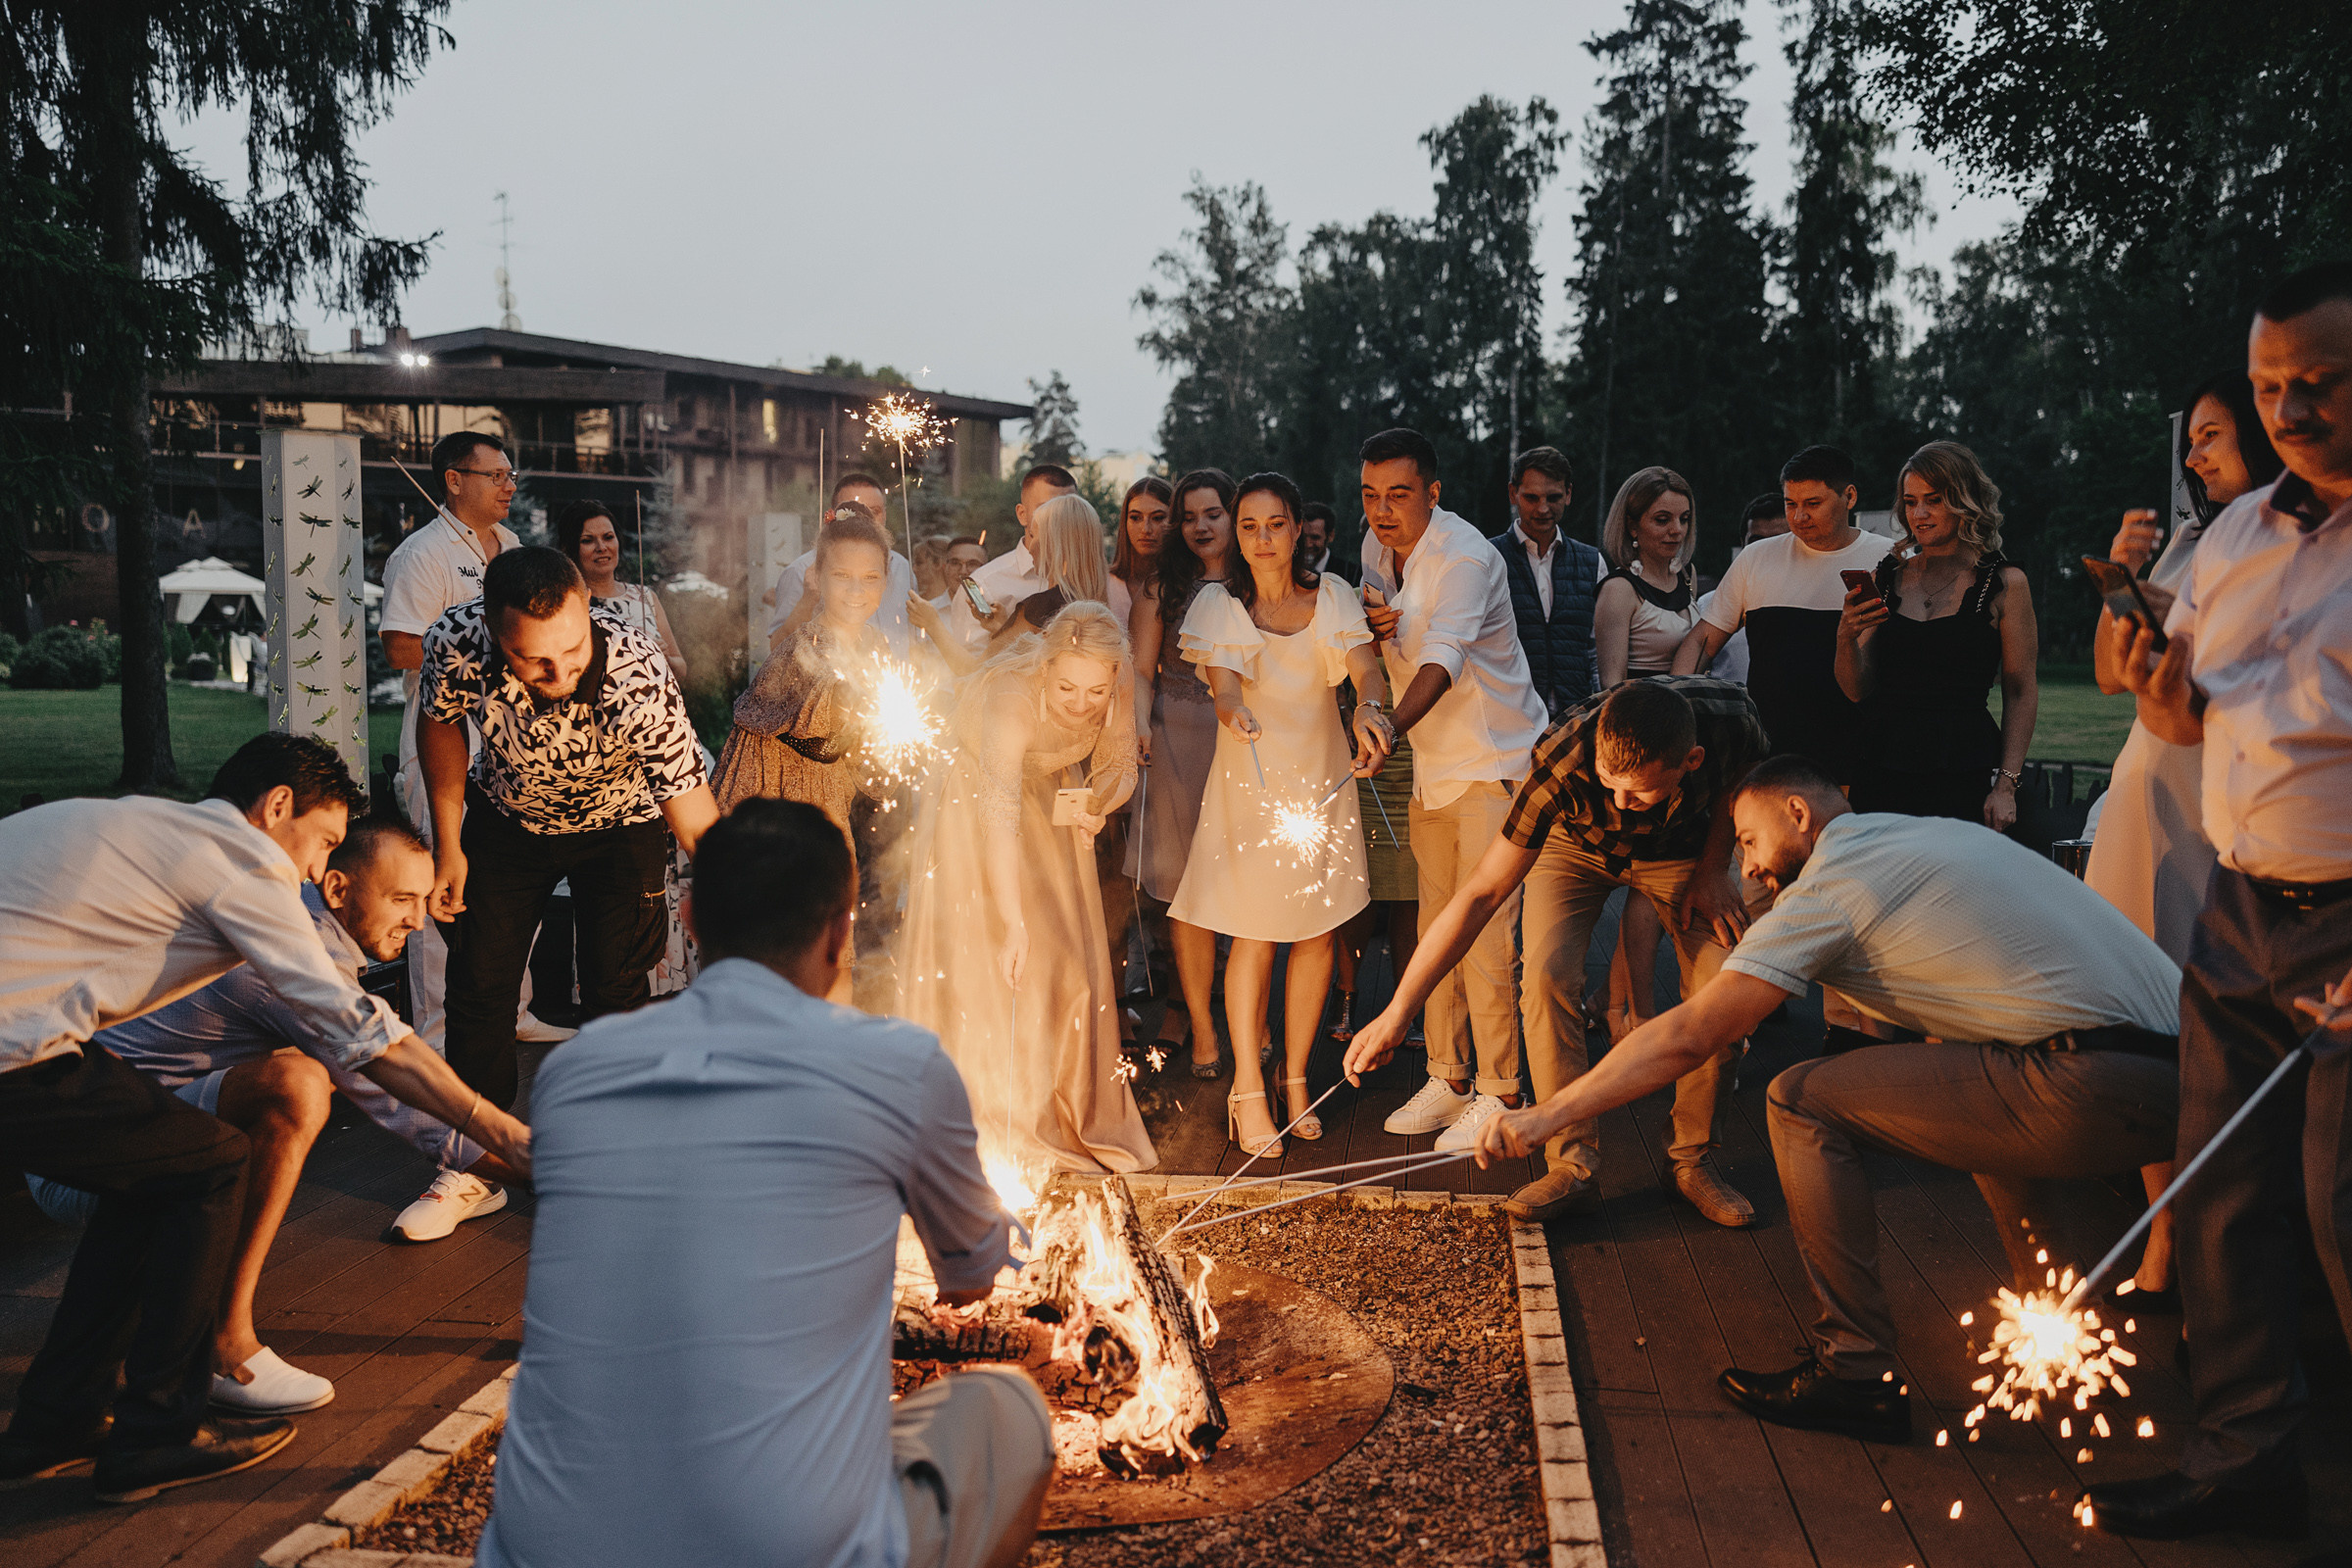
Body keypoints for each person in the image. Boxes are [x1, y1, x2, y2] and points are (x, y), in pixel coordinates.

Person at [1425, 755, 2181, 1443]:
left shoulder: (1833, 886)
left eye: (1748, 842)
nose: (1748, 869)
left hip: (2089, 1084)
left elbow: (1692, 1034)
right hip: (2186, 1077)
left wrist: (1543, 1117)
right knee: (1968, 1076)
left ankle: (1855, 1373)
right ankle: (2053, 1329)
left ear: (1798, 814)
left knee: (1798, 1099)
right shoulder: (1919, 837)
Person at [474, 800, 1050, 1568]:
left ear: (689, 918)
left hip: (542, 1549)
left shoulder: (576, 1071)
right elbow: (973, 1277)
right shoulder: (900, 1066)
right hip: (779, 1549)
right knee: (1005, 1410)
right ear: (841, 932)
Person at [0, 734, 530, 1501]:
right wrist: (504, 1130)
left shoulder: (159, 831)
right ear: (276, 806)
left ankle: (59, 1422)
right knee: (208, 1165)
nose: (318, 871)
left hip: (39, 1044)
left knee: (171, 1168)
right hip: (21, 1051)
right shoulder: (236, 861)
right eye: (320, 843)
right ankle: (159, 1429)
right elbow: (367, 1040)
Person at [2085, 262, 2352, 1546]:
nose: (2290, 409)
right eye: (2269, 386)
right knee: (2221, 1188)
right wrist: (2146, 676)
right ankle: (2245, 1450)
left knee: (2338, 1203)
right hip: (2242, 907)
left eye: (2320, 382)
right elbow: (2181, 709)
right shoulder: (2239, 535)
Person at [1343, 679, 1766, 1223]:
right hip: (1575, 847)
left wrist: (1711, 868)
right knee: (1544, 978)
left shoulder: (1733, 718)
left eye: (1637, 793)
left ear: (1691, 760)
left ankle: (1691, 1160)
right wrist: (1397, 1014)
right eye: (1610, 785)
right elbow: (1480, 894)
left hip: (1682, 852)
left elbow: (1742, 784)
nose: (1621, 805)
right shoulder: (1560, 759)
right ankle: (1569, 1166)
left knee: (1722, 994)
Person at [418, 547, 718, 1108]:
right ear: (491, 628)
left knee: (616, 991)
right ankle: (474, 1157)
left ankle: (609, 1138)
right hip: (507, 819)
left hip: (621, 827)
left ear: (585, 606)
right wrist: (449, 845)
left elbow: (693, 815)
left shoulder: (638, 672)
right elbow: (439, 726)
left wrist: (746, 914)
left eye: (574, 648)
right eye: (532, 659)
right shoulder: (454, 640)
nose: (559, 673)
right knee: (477, 983)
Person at [1167, 471, 1394, 1154]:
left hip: (1322, 784)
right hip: (1251, 794)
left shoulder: (1333, 596)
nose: (1262, 539)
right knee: (1255, 937)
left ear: (1299, 528)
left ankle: (1295, 1079)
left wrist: (1375, 709)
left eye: (1275, 524)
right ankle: (1245, 1086)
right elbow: (1225, 684)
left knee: (1318, 935)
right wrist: (1231, 707)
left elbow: (1364, 668)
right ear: (1237, 535)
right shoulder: (1219, 604)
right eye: (1249, 526)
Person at [900, 604, 1153, 1174]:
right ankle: (986, 1109)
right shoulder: (1012, 701)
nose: (1081, 704)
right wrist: (1012, 922)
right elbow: (999, 818)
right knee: (995, 957)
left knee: (1065, 957)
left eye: (1095, 691)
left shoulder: (1116, 682)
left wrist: (1097, 806)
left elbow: (1118, 763)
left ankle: (1066, 1102)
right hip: (977, 807)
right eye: (1067, 686)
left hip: (1050, 795)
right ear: (1045, 669)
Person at [1358, 427, 1549, 1152]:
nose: (1382, 509)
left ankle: (1501, 1092)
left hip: (1495, 764)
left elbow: (1441, 660)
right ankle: (1449, 1076)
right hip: (1435, 770)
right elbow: (1391, 641)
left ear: (1433, 494)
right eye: (1371, 495)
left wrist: (1385, 727)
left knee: (1488, 941)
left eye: (1399, 495)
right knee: (1432, 927)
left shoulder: (1467, 556)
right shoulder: (1379, 552)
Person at [377, 432, 569, 1071]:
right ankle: (434, 1030)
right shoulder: (422, 554)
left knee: (518, 872)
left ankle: (512, 1009)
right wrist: (475, 644)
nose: (508, 485)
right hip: (444, 732)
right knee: (442, 882)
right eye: (496, 475)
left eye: (511, 474)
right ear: (455, 480)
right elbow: (400, 646)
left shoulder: (513, 549)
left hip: (514, 739)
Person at [2086, 371, 2283, 957]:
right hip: (2145, 772)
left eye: (2211, 436)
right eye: (2190, 443)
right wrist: (2124, 579)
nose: (2194, 459)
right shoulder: (2192, 537)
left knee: (2203, 965)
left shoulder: (2299, 540)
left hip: (2218, 787)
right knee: (2127, 966)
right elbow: (2106, 677)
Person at [1834, 442, 2038, 828]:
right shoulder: (1886, 578)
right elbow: (1856, 689)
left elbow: (2021, 690)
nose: (1919, 514)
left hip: (1960, 772)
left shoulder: (2006, 584)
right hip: (1881, 769)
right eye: (1910, 502)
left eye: (1934, 500)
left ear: (1965, 502)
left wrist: (2006, 786)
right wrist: (1845, 637)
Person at [1672, 445, 1893, 785]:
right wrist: (1676, 708)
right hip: (1768, 757)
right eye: (1791, 503)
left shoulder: (1887, 559)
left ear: (1849, 496)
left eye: (1813, 504)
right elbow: (1703, 640)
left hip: (1861, 758)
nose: (1799, 517)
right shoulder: (1756, 558)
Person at [1129, 469, 1239, 1075]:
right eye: (1190, 515)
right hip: (1176, 743)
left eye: (1213, 513)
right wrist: (1139, 723)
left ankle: (1252, 1019)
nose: (1200, 525)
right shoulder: (1162, 588)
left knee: (1248, 886)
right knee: (1186, 897)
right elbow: (1142, 670)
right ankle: (1199, 1027)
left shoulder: (1258, 584)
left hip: (1245, 745)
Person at [710, 508, 897, 864]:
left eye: (870, 577)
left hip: (833, 805)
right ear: (817, 578)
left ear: (886, 580)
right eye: (842, 575)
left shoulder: (875, 644)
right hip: (779, 816)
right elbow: (828, 700)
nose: (857, 590)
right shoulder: (800, 648)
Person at [1593, 467, 1704, 1045]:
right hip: (1637, 747)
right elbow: (1610, 688)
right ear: (1632, 525)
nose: (1675, 530)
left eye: (1682, 519)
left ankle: (1614, 1005)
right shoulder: (1619, 589)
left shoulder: (1687, 581)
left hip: (1681, 746)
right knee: (1647, 888)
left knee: (1660, 890)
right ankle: (1630, 1017)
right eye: (1661, 519)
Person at [1102, 477, 1176, 1025]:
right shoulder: (1106, 585)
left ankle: (1176, 993)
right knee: (1115, 870)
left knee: (1168, 871)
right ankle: (1115, 997)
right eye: (1136, 517)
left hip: (1173, 734)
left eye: (1158, 516)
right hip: (1109, 735)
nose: (1147, 528)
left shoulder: (1186, 584)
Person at [1495, 445, 1605, 719]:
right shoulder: (1488, 559)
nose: (1543, 509)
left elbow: (1596, 651)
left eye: (1553, 497)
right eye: (1531, 498)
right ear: (1513, 494)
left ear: (1569, 494)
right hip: (1510, 718)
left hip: (1578, 718)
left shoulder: (1593, 562)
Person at [766, 472, 919, 656]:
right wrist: (807, 602)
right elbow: (777, 650)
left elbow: (913, 641)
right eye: (852, 511)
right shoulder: (800, 572)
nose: (864, 518)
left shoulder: (902, 568)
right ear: (832, 514)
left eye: (874, 511)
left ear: (884, 514)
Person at [945, 465, 1079, 657]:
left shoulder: (1092, 581)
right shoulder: (987, 583)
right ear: (1022, 514)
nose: (1059, 519)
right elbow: (971, 669)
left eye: (1068, 510)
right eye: (1046, 509)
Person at [556, 499, 686, 681]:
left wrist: (665, 659)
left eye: (608, 537)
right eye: (587, 541)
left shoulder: (645, 597)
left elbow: (681, 668)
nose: (602, 548)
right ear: (569, 548)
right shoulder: (563, 604)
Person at [980, 494, 1113, 659]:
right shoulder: (1100, 615)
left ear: (1054, 543)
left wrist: (937, 624)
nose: (1029, 548)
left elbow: (977, 669)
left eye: (1032, 536)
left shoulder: (1041, 607)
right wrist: (1004, 627)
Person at [1697, 494, 1789, 684]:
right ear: (1743, 544)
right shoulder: (1709, 605)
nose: (1765, 551)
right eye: (1757, 542)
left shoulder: (1814, 605)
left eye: (1777, 541)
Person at [1301, 500, 1359, 585]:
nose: (1307, 544)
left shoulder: (1352, 574)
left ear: (1330, 536)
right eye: (1302, 537)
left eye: (1315, 537)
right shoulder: (1288, 572)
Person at [936, 534, 988, 612]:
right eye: (955, 563)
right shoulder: (926, 612)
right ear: (945, 567)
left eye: (972, 564)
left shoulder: (995, 613)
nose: (963, 571)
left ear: (986, 569)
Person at [910, 534, 952, 602]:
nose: (914, 569)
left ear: (938, 563)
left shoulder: (957, 603)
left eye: (919, 563)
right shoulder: (912, 601)